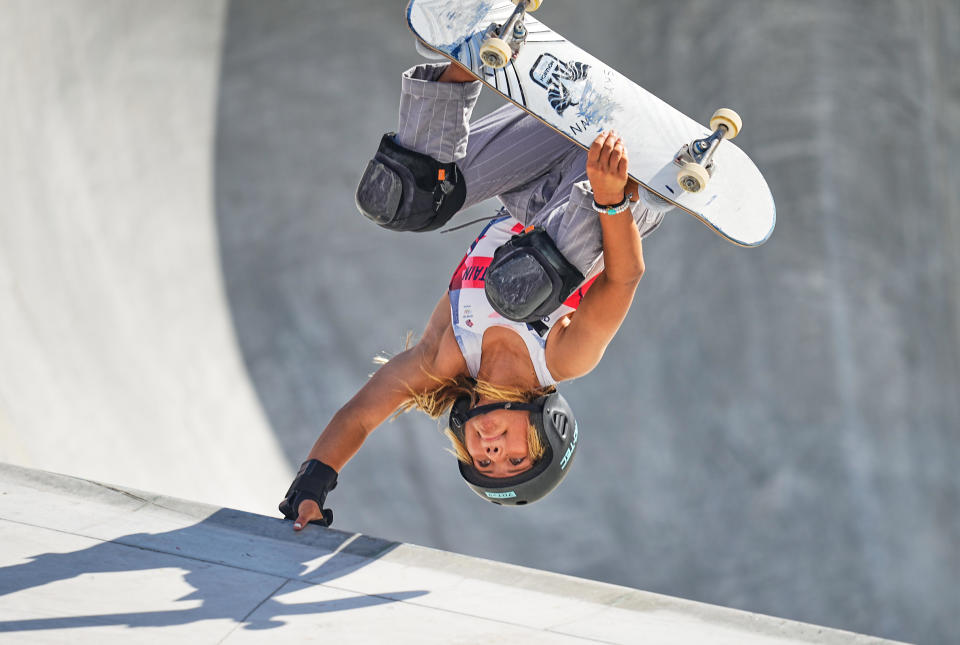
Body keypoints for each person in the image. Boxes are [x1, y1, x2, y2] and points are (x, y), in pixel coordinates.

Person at [279, 61, 671, 529]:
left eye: (483, 463)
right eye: (512, 460)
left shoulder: (443, 356)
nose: (491, 452)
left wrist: (310, 488)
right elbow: (623, 279)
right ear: (548, 433)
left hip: (539, 162)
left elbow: (361, 415)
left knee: (401, 199)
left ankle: (470, 61)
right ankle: (629, 165)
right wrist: (612, 199)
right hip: (616, 194)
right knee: (518, 290)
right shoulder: (564, 357)